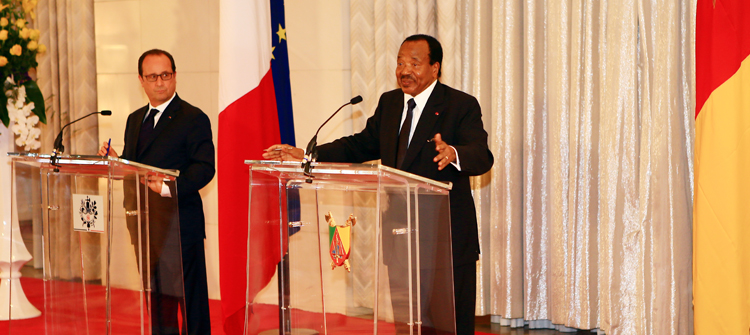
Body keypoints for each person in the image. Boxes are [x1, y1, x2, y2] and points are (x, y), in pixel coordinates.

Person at [263, 34, 493, 335]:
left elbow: (482, 156)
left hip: (444, 240)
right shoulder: (390, 103)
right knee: (408, 324)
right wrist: (309, 154)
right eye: (399, 63)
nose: (404, 70)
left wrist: (454, 153)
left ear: (435, 68)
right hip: (401, 238)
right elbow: (359, 146)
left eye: (414, 63)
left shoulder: (459, 105)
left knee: (449, 325)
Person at [99, 49, 215, 335]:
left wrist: (167, 187)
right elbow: (134, 164)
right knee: (158, 302)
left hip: (179, 225)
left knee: (190, 303)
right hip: (145, 224)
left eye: (166, 75)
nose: (160, 82)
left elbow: (204, 168)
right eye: (153, 76)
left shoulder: (192, 117)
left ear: (174, 76)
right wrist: (116, 160)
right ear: (141, 80)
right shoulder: (135, 119)